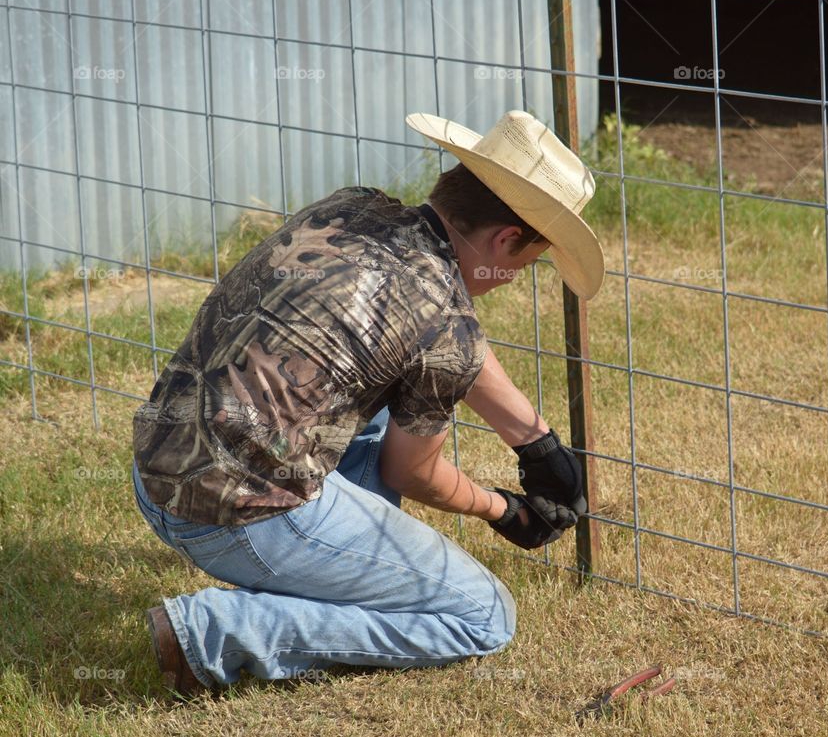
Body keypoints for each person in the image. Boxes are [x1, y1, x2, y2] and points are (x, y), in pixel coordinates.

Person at [131, 109, 605, 696]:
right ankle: (218, 631)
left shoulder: (351, 208)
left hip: (158, 461)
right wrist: (503, 509)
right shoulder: (445, 329)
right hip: (231, 518)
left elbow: (437, 332)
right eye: (527, 263)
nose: (514, 277)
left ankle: (328, 571)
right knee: (484, 618)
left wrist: (535, 441)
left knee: (377, 386)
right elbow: (410, 471)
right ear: (506, 240)